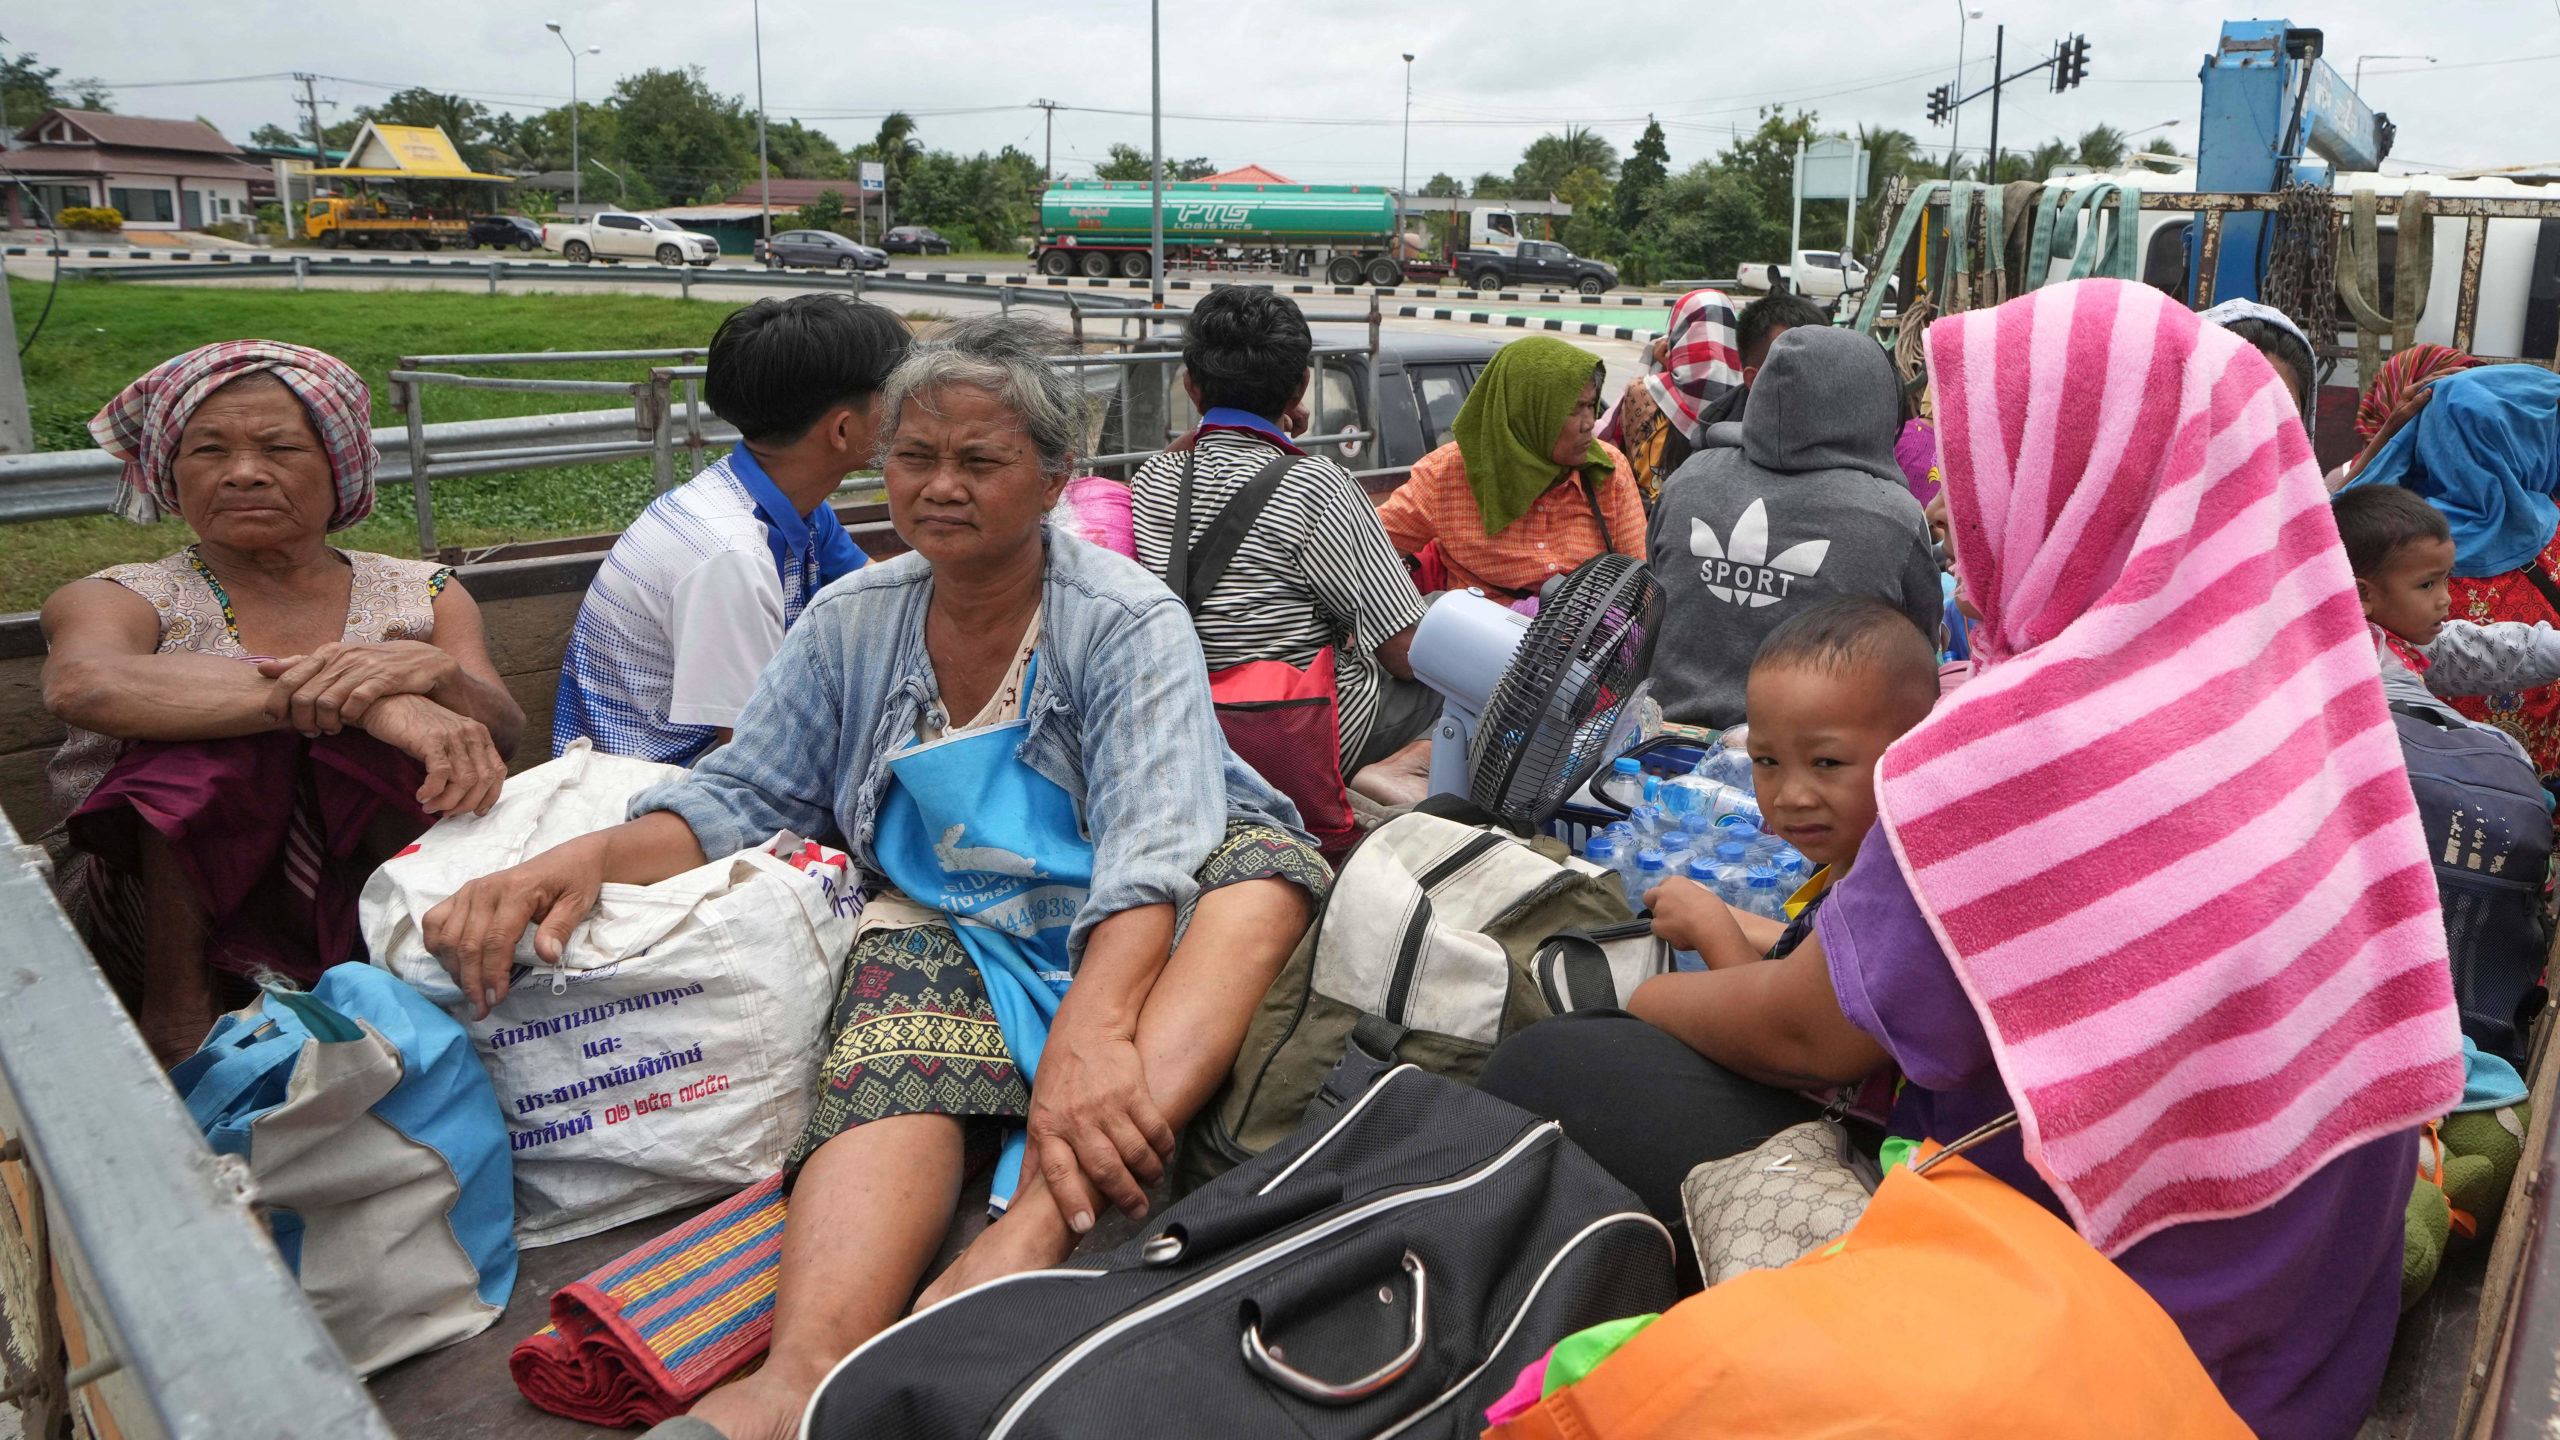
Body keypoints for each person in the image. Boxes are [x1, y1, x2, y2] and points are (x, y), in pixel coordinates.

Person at [1481, 279, 2462, 1440]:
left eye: (1982, 461)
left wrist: (1651, 998)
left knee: (1557, 1068)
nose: (1950, 500)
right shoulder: (2312, 703)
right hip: (2298, 1360)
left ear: (2083, 484)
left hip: (2106, 1347)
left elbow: (1809, 1034)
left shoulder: (2016, 751)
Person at [418, 315, 1327, 1440]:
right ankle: (799, 1376)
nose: (940, 488)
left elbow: (1151, 856)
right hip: (963, 901)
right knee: (891, 1028)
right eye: (915, 457)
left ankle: (1034, 1228)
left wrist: (1089, 1045)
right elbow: (743, 796)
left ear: (1052, 482)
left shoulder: (1123, 619)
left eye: (980, 462)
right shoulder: (850, 619)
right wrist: (579, 857)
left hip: (1161, 881)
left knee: (1262, 885)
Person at [40, 342, 523, 1065]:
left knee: (346, 744)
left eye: (279, 448)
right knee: (214, 742)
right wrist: (370, 702)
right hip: (158, 920)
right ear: (172, 471)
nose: (242, 473)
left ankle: (419, 991)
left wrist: (437, 677)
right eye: (207, 450)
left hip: (383, 897)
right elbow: (85, 684)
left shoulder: (420, 593)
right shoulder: (123, 594)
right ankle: (179, 1024)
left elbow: (505, 734)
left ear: (341, 468)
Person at [551, 295, 912, 764]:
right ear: (842, 430)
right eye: (901, 395)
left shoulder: (789, 506)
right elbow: (758, 765)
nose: (914, 410)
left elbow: (883, 604)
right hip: (650, 795)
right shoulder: (728, 559)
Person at [1129, 285, 1435, 781]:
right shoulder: (1319, 485)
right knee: (1449, 668)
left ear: (1190, 386)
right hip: (1293, 731)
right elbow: (1403, 654)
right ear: (1301, 388)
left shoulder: (1152, 479)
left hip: (1190, 724)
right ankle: (1392, 776)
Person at [1645, 324, 1941, 729]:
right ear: (1873, 408)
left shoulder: (1689, 478)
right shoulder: (1894, 515)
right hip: (1816, 764)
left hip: (1660, 742)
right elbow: (1920, 650)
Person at [2343, 363, 2560, 779]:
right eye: (2429, 585)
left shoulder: (2387, 536)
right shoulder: (2406, 542)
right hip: (2482, 785)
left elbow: (2463, 650)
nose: (2443, 598)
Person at [1375, 335, 1645, 600]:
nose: (1590, 423)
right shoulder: (1445, 475)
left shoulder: (1608, 470)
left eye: (1591, 406)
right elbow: (1365, 548)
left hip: (1587, 639)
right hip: (1482, 640)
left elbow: (1640, 580)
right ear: (1526, 413)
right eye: (1575, 410)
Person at [2337, 483, 2560, 731]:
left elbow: (2468, 650)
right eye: (2426, 585)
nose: (2446, 599)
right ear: (2362, 594)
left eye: (2446, 579)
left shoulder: (2396, 640)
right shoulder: (2367, 678)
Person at [1598, 288, 1742, 500]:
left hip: (1644, 520)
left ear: (1677, 333)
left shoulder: (1642, 392)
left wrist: (1664, 367)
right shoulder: (1748, 396)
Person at [2328, 342, 2483, 490]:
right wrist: (2391, 431)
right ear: (2394, 397)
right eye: (2439, 398)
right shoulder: (2339, 480)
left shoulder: (2472, 476)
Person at [1691, 290, 1829, 434]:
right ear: (1754, 380)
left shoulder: (1846, 428)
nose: (1820, 379)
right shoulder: (1717, 451)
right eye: (1799, 366)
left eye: (1826, 362)